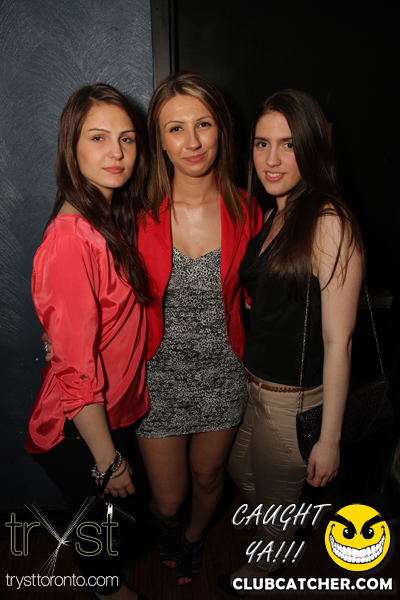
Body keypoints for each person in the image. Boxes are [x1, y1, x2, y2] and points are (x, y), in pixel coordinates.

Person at [218, 88, 365, 596]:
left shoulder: (328, 221)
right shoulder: (273, 214)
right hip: (252, 388)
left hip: (293, 401)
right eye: (262, 144)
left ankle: (266, 573)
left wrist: (329, 438)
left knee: (275, 508)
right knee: (240, 473)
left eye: (288, 144)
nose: (272, 159)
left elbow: (340, 340)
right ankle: (281, 536)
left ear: (312, 148)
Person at [135, 72, 263, 586]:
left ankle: (192, 537)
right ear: (159, 141)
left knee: (208, 476)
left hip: (223, 372)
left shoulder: (247, 210)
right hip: (156, 378)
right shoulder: (136, 214)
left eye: (203, 124)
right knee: (167, 499)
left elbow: (259, 298)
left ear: (221, 129)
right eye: (175, 128)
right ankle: (170, 525)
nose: (191, 142)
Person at [26, 84, 150, 600]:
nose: (116, 153)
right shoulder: (71, 238)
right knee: (104, 544)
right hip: (79, 430)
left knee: (117, 530)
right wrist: (109, 460)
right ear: (71, 147)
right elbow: (76, 372)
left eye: (127, 138)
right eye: (98, 138)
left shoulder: (107, 221)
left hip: (108, 416)